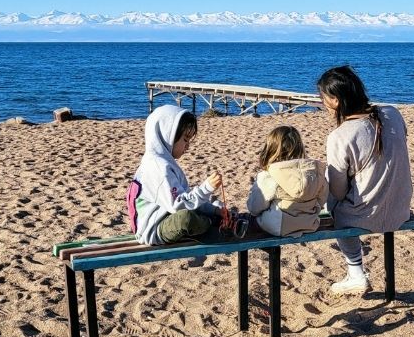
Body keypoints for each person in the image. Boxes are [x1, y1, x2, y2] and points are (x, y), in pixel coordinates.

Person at [317, 65, 412, 295]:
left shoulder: (341, 135)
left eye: (324, 99)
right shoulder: (393, 113)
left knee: (333, 202)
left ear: (336, 100)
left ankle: (356, 272)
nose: (323, 105)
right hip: (401, 208)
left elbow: (338, 192)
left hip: (365, 216)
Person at [127, 104, 222, 245]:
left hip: (168, 216)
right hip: (155, 229)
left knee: (203, 209)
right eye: (185, 139)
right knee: (186, 218)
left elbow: (186, 197)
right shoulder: (158, 167)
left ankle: (213, 218)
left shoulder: (166, 163)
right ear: (167, 136)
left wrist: (214, 210)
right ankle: (211, 223)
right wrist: (206, 189)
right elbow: (179, 205)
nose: (188, 146)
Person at [245, 125, 328, 236]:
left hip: (277, 226)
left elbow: (254, 208)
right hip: (310, 224)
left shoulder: (270, 175)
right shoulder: (315, 172)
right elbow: (322, 200)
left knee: (250, 220)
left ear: (270, 149)